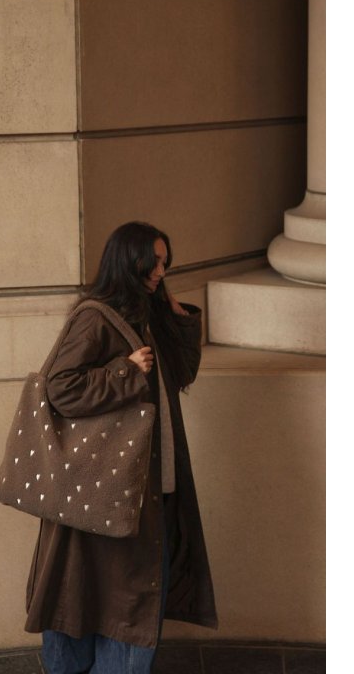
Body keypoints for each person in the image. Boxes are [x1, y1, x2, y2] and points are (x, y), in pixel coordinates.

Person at [24, 221, 218, 674]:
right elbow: (60, 388)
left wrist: (176, 314)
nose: (160, 271)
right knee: (112, 603)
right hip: (108, 492)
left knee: (132, 604)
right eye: (153, 262)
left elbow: (182, 373)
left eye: (165, 263)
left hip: (148, 491)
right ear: (128, 262)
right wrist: (125, 372)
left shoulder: (145, 316)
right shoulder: (95, 318)